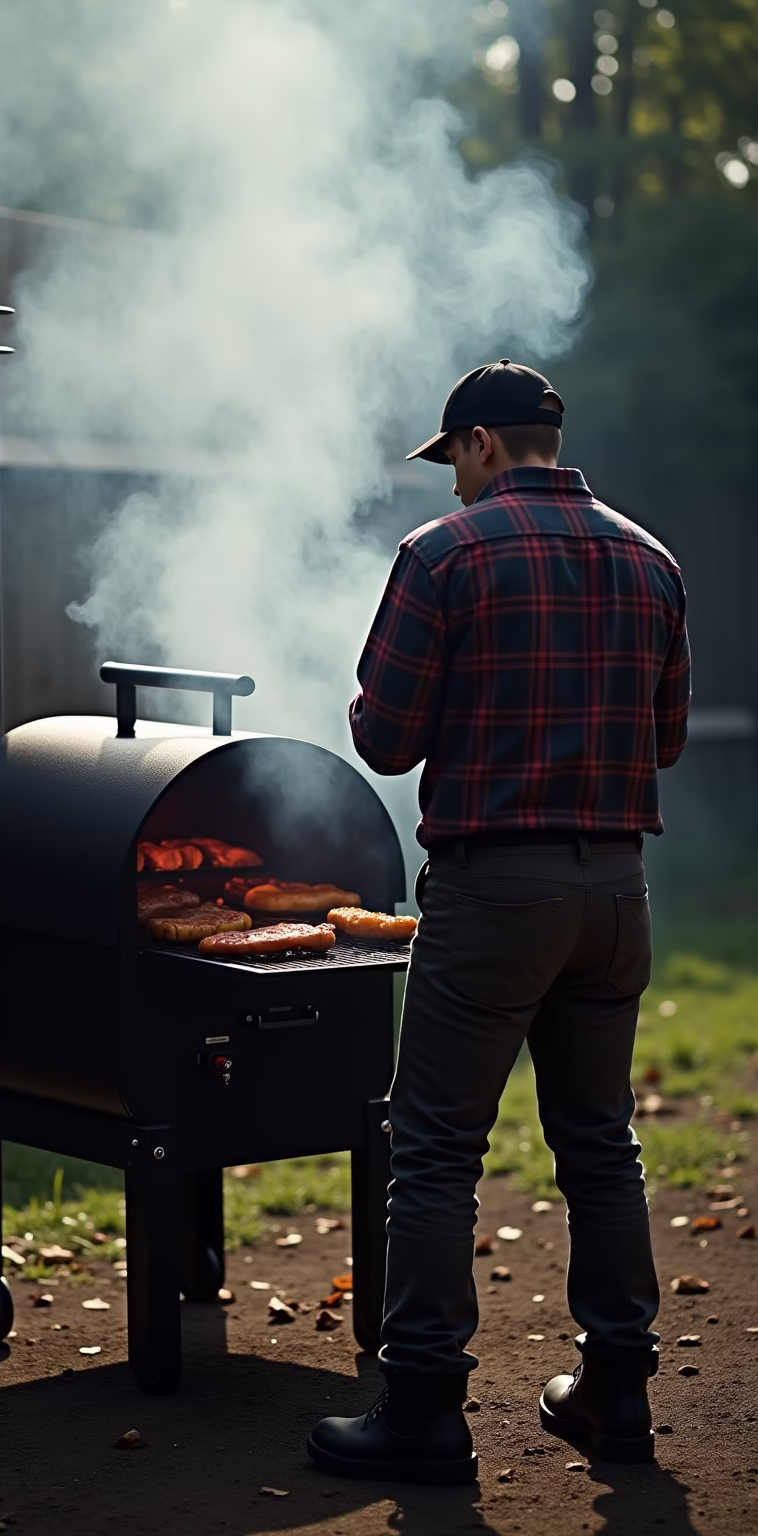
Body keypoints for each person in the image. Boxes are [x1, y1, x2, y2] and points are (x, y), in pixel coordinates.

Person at [307, 360, 691, 1485]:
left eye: (455, 458)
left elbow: (385, 741)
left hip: (492, 896)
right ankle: (617, 1392)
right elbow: (664, 741)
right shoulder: (653, 560)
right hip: (615, 893)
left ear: (480, 443)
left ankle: (424, 1411)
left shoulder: (442, 554)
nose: (455, 479)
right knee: (600, 1142)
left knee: (433, 1149)